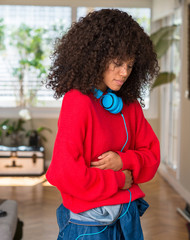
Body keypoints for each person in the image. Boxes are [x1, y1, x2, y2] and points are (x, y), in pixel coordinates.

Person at [46, 8, 160, 240]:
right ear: (96, 57)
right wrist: (119, 179)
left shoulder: (129, 105)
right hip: (89, 223)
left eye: (130, 65)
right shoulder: (78, 101)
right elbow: (63, 173)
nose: (124, 72)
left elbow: (152, 157)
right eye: (117, 63)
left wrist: (123, 161)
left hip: (128, 214)